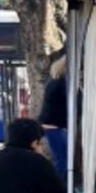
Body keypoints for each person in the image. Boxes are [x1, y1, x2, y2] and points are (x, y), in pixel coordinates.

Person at [38, 50, 81, 181]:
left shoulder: (54, 82)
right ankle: (58, 185)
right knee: (64, 159)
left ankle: (61, 185)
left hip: (52, 125)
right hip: (55, 126)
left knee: (63, 158)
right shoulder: (63, 84)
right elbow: (75, 104)